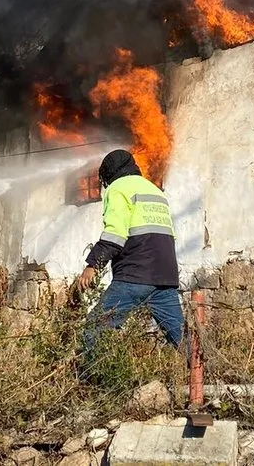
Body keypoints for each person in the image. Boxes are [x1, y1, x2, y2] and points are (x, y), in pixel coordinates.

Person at [76, 149, 184, 375]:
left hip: (136, 274)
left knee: (95, 328)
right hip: (165, 276)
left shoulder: (118, 189)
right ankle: (202, 380)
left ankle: (92, 383)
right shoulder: (154, 190)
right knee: (181, 336)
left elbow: (115, 235)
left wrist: (92, 265)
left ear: (109, 174)